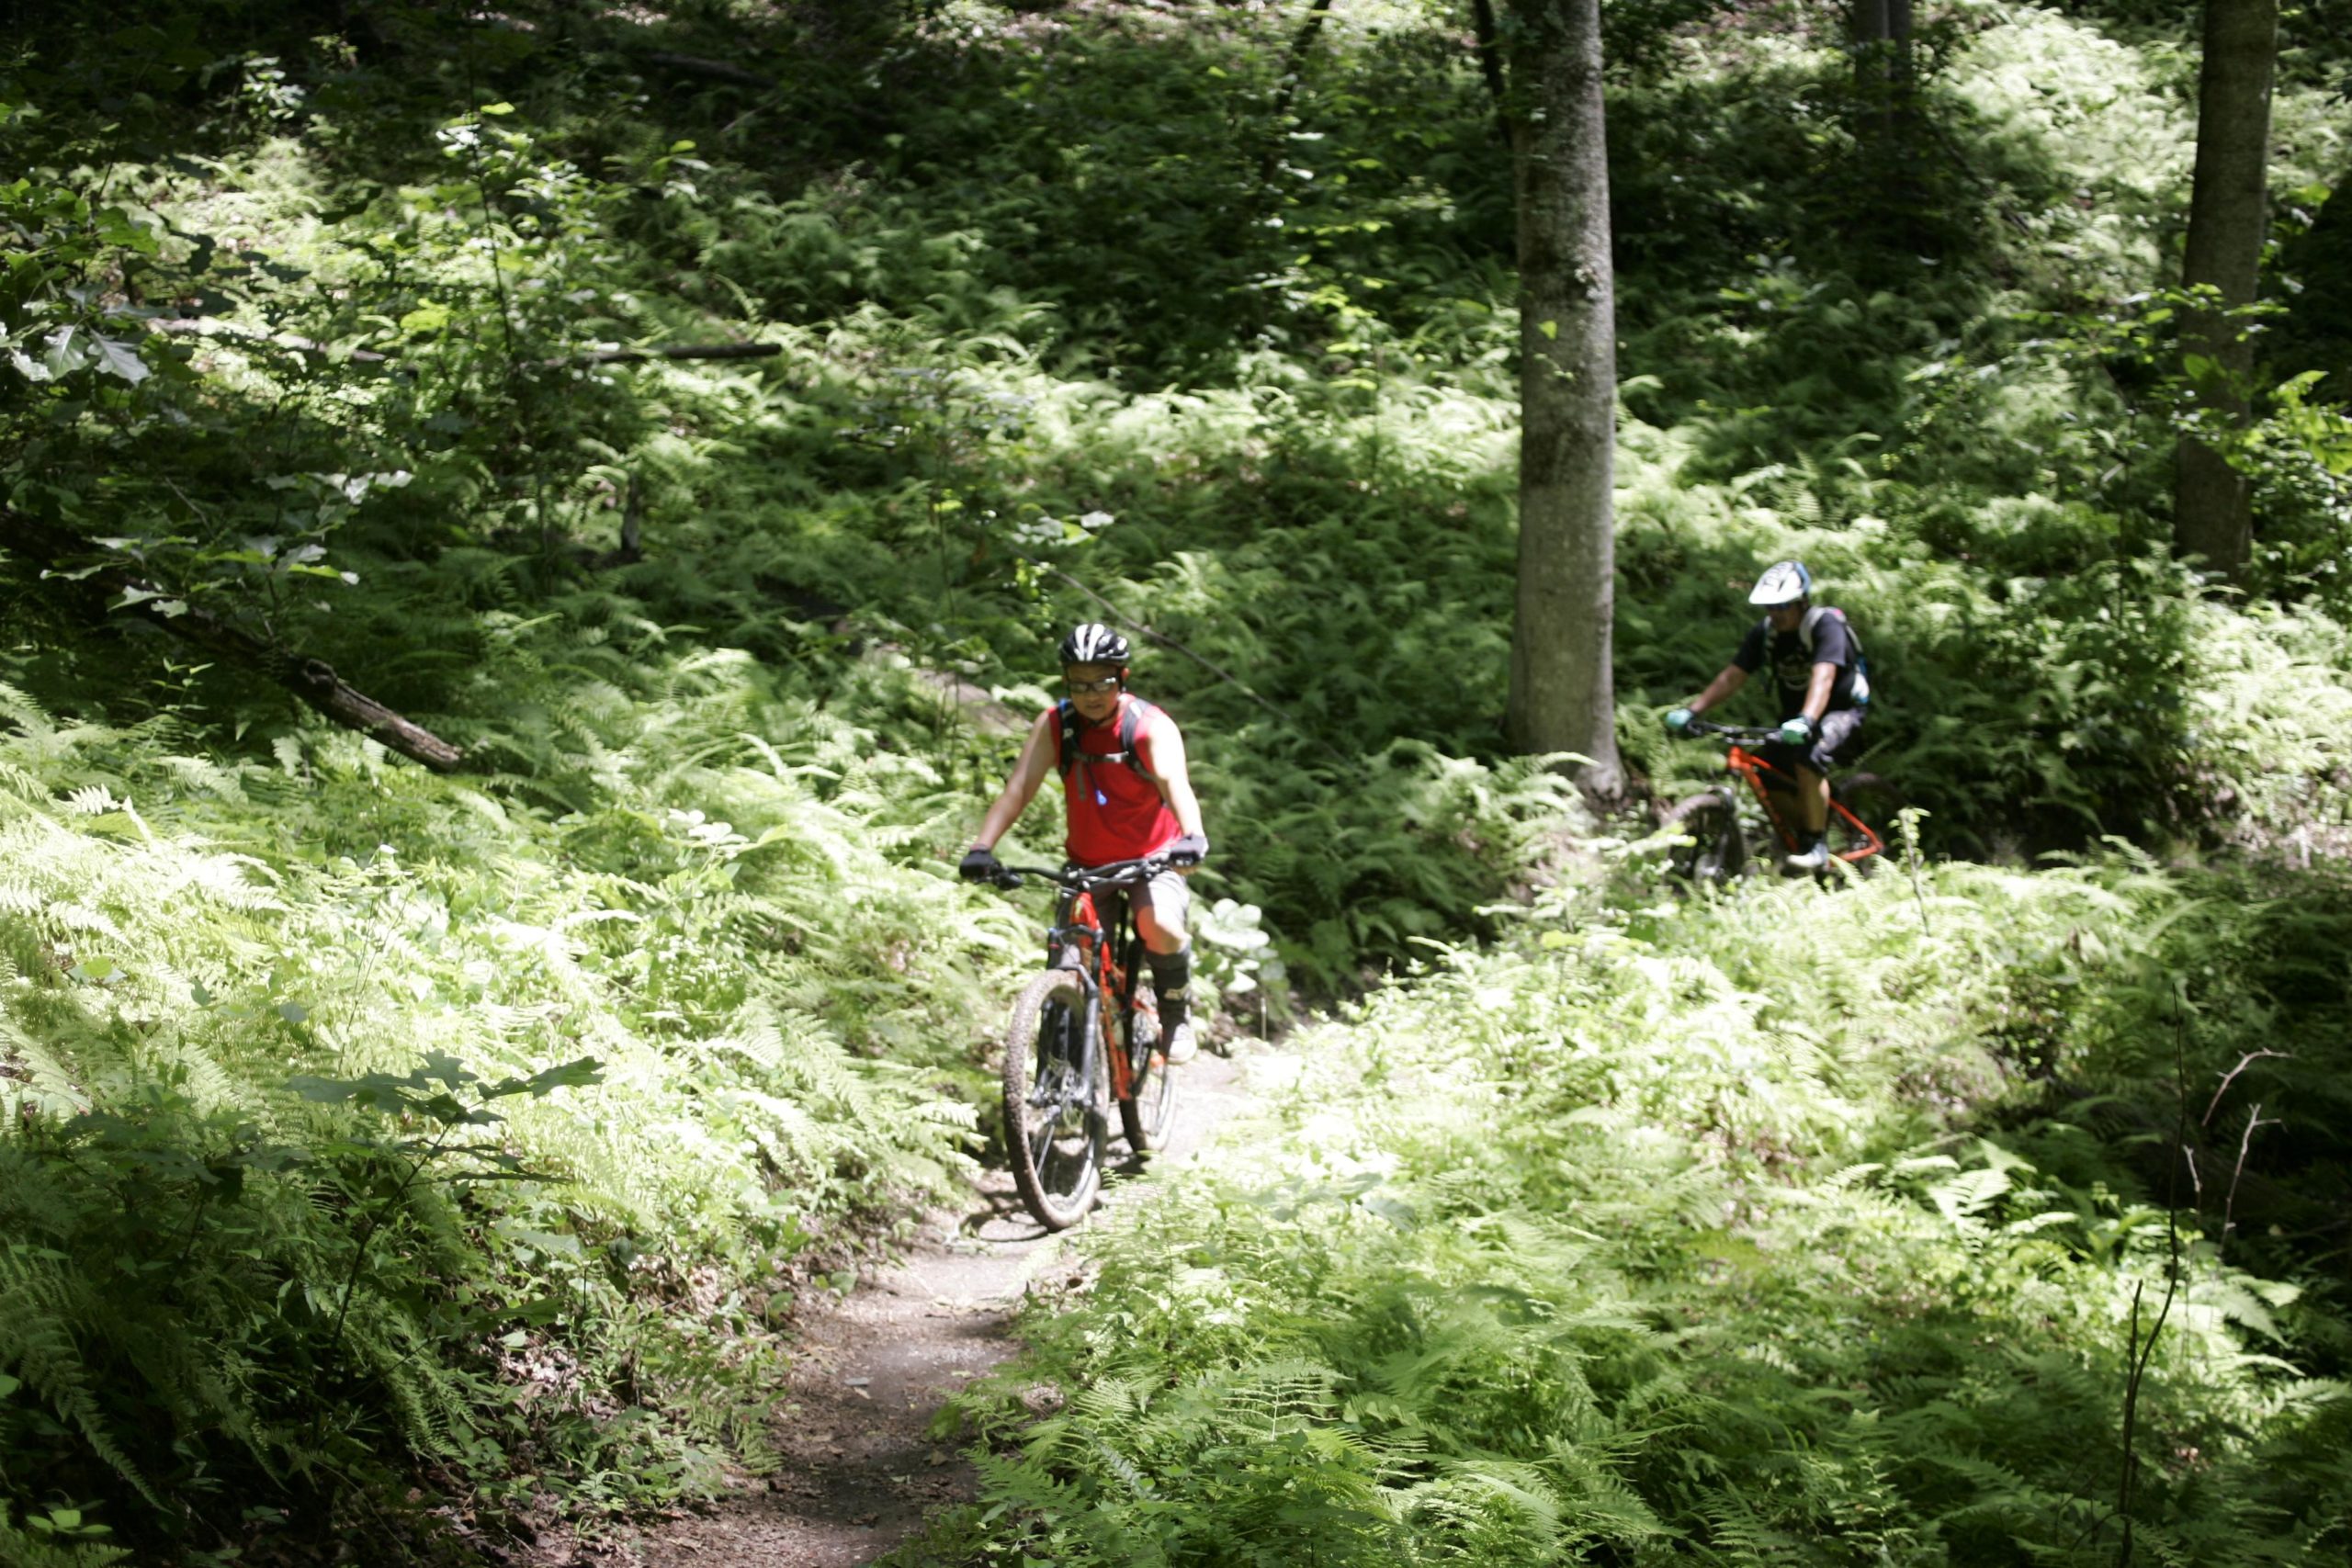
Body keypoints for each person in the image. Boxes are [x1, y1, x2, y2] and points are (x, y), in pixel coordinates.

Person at [960, 623, 1210, 1062]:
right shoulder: (1056, 725)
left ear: (1123, 677)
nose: (1091, 694)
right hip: (1086, 865)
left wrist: (1192, 837)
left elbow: (1176, 784)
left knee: (1160, 927)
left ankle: (1175, 1013)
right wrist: (982, 847)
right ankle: (1061, 1078)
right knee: (1068, 964)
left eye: (1103, 682)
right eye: (1079, 684)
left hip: (1151, 859)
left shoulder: (1149, 727)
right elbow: (1018, 789)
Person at [1665, 560, 1867, 872]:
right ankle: (1800, 832)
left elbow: (1824, 676)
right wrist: (1693, 710)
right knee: (1764, 769)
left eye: (1783, 606)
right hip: (1795, 721)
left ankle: (1816, 843)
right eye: (1770, 607)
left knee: (1808, 758)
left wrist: (1808, 719)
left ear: (1802, 602)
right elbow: (1733, 676)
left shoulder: (1825, 626)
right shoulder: (1766, 633)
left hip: (1838, 712)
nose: (1776, 613)